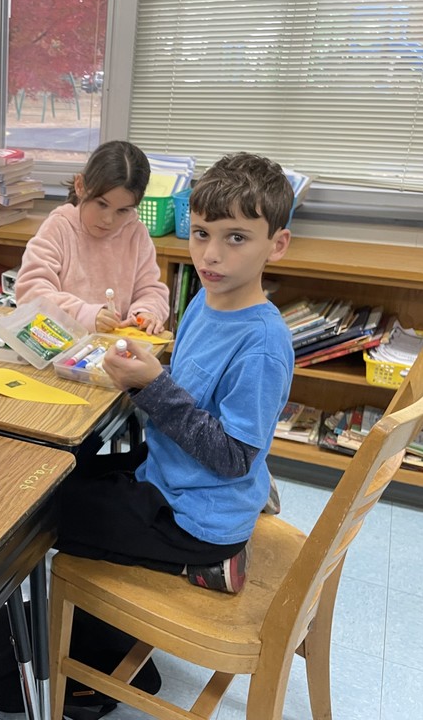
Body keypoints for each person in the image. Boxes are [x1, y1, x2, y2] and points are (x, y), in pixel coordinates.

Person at [57, 152, 295, 593]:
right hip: (171, 471)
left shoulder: (263, 346)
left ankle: (211, 562)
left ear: (277, 244)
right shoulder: (206, 299)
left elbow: (233, 457)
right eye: (202, 233)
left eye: (236, 238)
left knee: (47, 513)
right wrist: (146, 377)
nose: (211, 255)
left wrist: (152, 386)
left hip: (197, 517)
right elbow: (189, 392)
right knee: (62, 471)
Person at [15, 140, 170, 335]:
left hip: (112, 348)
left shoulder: (135, 233)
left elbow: (150, 290)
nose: (108, 220)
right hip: (60, 344)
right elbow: (31, 293)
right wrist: (83, 314)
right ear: (80, 186)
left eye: (122, 210)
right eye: (102, 204)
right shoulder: (59, 227)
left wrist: (146, 312)